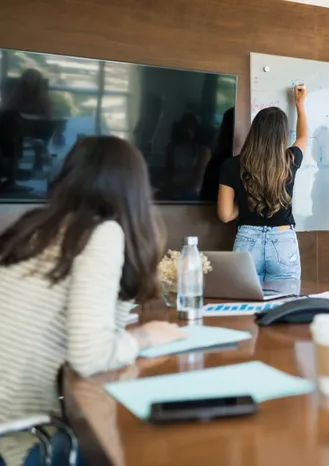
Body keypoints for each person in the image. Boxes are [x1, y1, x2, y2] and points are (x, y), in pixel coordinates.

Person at [0, 136, 185, 466]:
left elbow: (103, 332)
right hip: (20, 442)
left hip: (13, 429)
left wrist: (129, 276)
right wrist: (145, 336)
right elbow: (91, 356)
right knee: (143, 445)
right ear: (135, 190)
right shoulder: (101, 234)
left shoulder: (37, 226)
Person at [217, 84, 308, 289]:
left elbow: (225, 214)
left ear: (254, 131)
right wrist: (300, 105)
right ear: (283, 135)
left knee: (245, 310)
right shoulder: (290, 160)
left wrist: (248, 198)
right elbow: (303, 138)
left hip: (247, 241)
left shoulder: (232, 165)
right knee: (284, 306)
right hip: (283, 241)